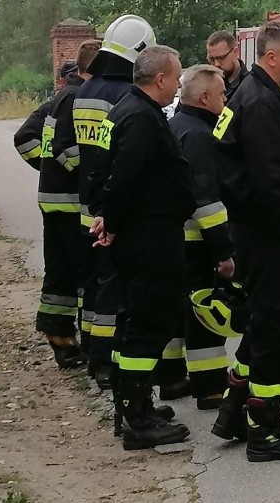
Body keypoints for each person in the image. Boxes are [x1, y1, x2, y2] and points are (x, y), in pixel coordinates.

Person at [212, 20, 280, 462]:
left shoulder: (255, 95)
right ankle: (266, 430)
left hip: (255, 236)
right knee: (278, 331)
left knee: (260, 323)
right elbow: (267, 181)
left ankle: (234, 410)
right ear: (271, 57)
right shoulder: (259, 104)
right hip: (269, 239)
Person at [88, 45, 195, 450]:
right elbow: (125, 176)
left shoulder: (134, 111)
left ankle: (135, 405)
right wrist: (111, 221)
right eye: (177, 75)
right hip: (148, 238)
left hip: (148, 233)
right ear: (161, 79)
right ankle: (137, 418)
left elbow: (111, 174)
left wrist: (109, 217)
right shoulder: (139, 117)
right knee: (148, 322)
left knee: (140, 320)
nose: (181, 82)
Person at [74, 15, 157, 390]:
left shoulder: (85, 91)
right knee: (113, 287)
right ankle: (105, 362)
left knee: (94, 282)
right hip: (114, 209)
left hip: (89, 203)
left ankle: (93, 347)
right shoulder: (124, 96)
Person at [13, 40, 101, 369]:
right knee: (82, 273)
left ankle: (62, 337)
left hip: (56, 201)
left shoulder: (62, 97)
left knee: (61, 273)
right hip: (69, 203)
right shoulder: (78, 98)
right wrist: (88, 172)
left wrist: (48, 166)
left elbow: (41, 144)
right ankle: (73, 338)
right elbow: (65, 149)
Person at [169, 64, 235, 410]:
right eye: (222, 94)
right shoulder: (199, 136)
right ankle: (210, 387)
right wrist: (224, 252)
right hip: (196, 242)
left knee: (176, 311)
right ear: (205, 97)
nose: (226, 100)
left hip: (172, 239)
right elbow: (206, 200)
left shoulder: (175, 126)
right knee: (203, 313)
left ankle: (170, 378)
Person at [207, 30, 249, 101]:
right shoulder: (208, 85)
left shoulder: (250, 86)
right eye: (211, 59)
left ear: (236, 52)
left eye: (221, 58)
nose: (216, 64)